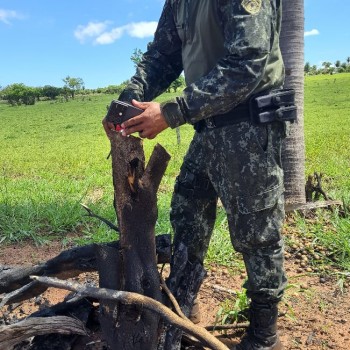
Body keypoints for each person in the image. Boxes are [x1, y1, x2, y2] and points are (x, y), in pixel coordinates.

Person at [103, 1, 289, 349]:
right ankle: (181, 310)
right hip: (209, 126)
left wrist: (173, 111)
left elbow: (248, 63)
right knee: (187, 213)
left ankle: (265, 335)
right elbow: (162, 55)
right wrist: (130, 99)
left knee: (257, 231)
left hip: (249, 125)